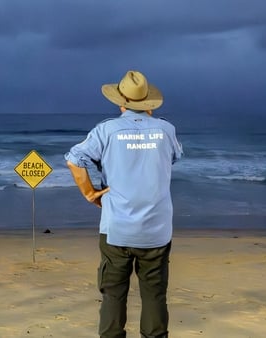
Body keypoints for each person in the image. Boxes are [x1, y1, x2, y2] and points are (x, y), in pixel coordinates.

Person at [65, 70, 182, 338]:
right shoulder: (166, 130)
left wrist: (90, 193)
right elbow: (173, 158)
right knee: (154, 295)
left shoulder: (106, 130)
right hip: (156, 229)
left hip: (117, 227)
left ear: (121, 102)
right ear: (148, 103)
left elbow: (74, 159)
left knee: (113, 295)